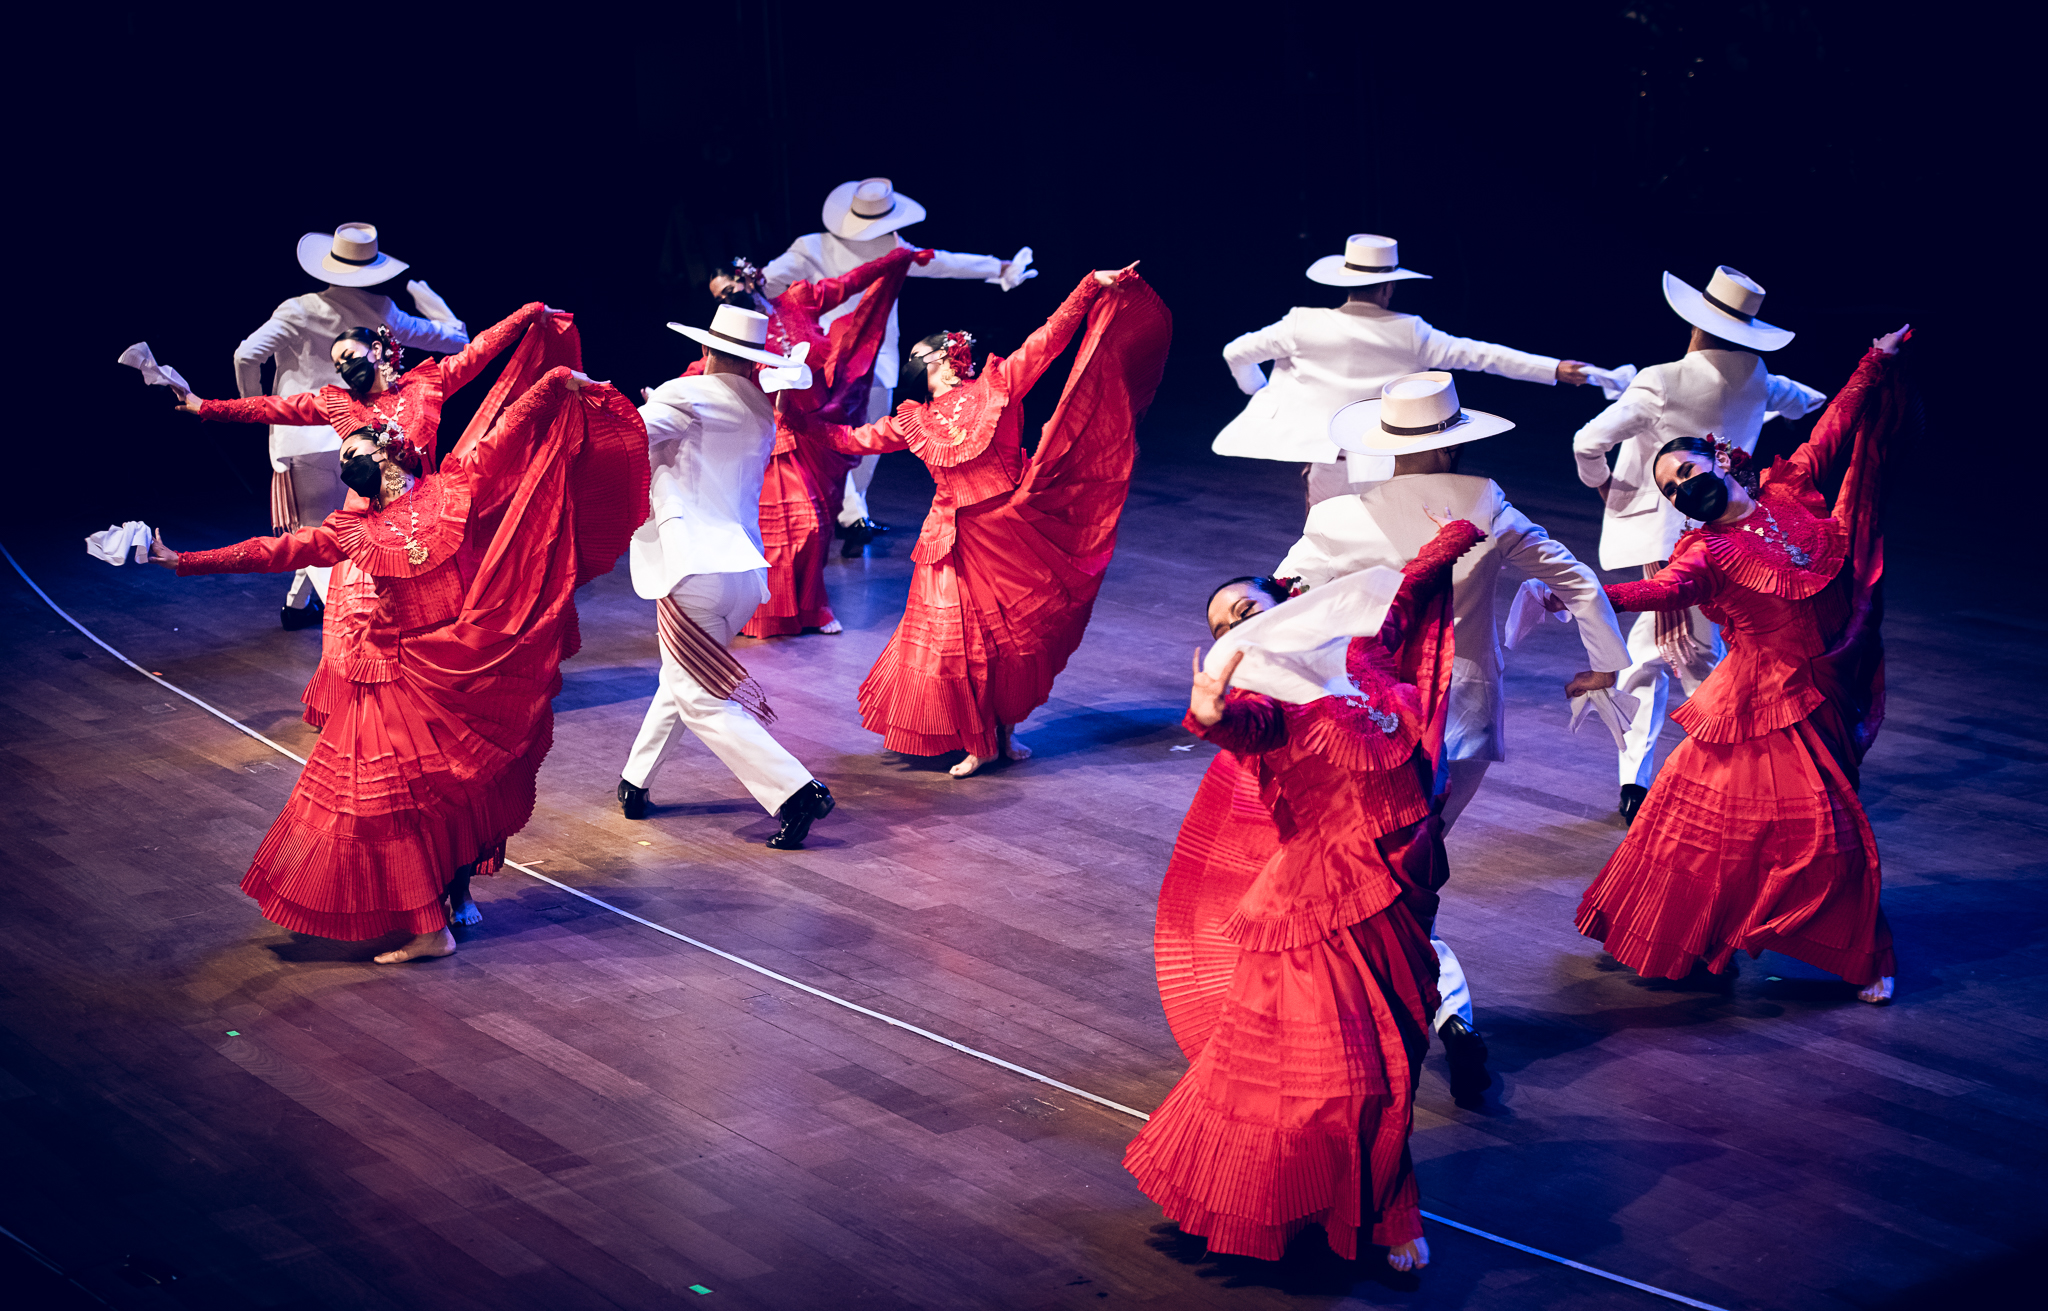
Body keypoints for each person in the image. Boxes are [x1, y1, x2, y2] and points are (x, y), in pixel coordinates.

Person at [143, 316, 647, 963]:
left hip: (436, 578)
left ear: (384, 352)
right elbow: (276, 526)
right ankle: (425, 904)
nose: (343, 377)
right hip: (374, 586)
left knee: (441, 776)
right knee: (387, 766)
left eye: (353, 358)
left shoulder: (438, 426)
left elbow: (495, 390)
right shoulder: (347, 472)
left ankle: (446, 899)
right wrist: (199, 416)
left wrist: (538, 338)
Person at [1126, 517, 1486, 1271]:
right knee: (1353, 1073)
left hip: (1401, 890)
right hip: (1316, 910)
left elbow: (1406, 597)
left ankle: (1367, 1202)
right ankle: (1383, 1217)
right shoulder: (1271, 706)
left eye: (1245, 606)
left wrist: (1454, 532)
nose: (1237, 623)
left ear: (1284, 597)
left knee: (1397, 1061)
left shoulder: (1361, 651)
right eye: (1224, 625)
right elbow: (1238, 727)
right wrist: (1212, 713)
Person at [1269, 371, 1629, 1099]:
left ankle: (1421, 1012)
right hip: (1460, 715)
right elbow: (1582, 582)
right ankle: (1445, 1012)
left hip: (1365, 717)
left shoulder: (1340, 516)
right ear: (1451, 443)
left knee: (1369, 873)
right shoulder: (1488, 504)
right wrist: (1606, 667)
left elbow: (1281, 600)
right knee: (1410, 865)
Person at [1573, 325, 1910, 1004]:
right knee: (1812, 830)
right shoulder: (1705, 552)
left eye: (1689, 473)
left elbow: (1833, 431)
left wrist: (1874, 361)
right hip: (1757, 705)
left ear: (1722, 461)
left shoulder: (1790, 490)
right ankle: (1859, 955)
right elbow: (1661, 590)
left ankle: (1749, 938)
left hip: (1821, 690)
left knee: (1773, 836)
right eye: (1672, 489)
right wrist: (1580, 595)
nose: (1683, 491)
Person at [787, 265, 1170, 777]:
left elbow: (1048, 340)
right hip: (950, 541)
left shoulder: (998, 383)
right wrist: (794, 416)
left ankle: (1004, 735)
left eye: (947, 355)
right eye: (936, 359)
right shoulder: (912, 419)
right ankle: (978, 741)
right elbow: (850, 440)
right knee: (956, 644)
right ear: (925, 369)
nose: (946, 364)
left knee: (1013, 640)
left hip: (1011, 529)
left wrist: (1085, 287)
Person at [178, 300, 568, 727]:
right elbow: (273, 408)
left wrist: (528, 314)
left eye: (348, 357)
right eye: (337, 363)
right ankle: (365, 718)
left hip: (426, 518)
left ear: (379, 352)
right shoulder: (339, 404)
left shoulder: (426, 385)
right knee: (359, 624)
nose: (343, 368)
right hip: (368, 530)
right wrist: (207, 407)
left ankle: (436, 705)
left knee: (440, 621)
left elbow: (479, 351)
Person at [1571, 266, 1828, 821]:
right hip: (1727, 531)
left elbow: (1587, 441)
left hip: (1666, 535)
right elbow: (1810, 401)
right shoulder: (1757, 375)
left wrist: (1604, 488)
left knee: (1684, 655)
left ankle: (1735, 771)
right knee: (1675, 649)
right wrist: (1750, 431)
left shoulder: (1661, 379)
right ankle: (1668, 776)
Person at [617, 304, 837, 849]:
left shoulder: (684, 393)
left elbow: (622, 442)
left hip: (694, 569)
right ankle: (635, 780)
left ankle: (796, 790)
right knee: (682, 679)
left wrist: (612, 407)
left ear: (709, 350)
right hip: (743, 574)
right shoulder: (762, 409)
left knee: (702, 699)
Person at [1215, 234, 1599, 510]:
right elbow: (1484, 356)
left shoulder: (1301, 324)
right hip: (1387, 463)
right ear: (1389, 288)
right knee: (1390, 559)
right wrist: (1554, 368)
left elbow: (1236, 353)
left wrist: (1263, 395)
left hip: (1327, 461)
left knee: (1326, 550)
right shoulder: (1411, 332)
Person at [763, 178, 1036, 552]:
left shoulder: (888, 246)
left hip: (868, 358)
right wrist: (1000, 267)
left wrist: (999, 267)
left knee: (861, 437)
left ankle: (851, 509)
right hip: (828, 359)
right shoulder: (820, 248)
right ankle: (843, 510)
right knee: (846, 436)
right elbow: (767, 284)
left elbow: (939, 263)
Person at [232, 223, 470, 628]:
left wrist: (256, 407)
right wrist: (424, 296)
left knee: (315, 533)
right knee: (337, 529)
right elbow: (458, 338)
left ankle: (348, 625)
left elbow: (245, 355)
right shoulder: (384, 313)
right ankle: (296, 606)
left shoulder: (299, 309)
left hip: (304, 437)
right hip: (362, 438)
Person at [700, 246, 928, 636]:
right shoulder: (734, 335)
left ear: (749, 278)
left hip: (815, 424)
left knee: (817, 527)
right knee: (784, 529)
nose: (728, 297)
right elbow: (703, 369)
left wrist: (897, 258)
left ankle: (814, 607)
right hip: (768, 435)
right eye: (719, 297)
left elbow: (850, 282)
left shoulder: (798, 301)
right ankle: (762, 614)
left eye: (729, 288)